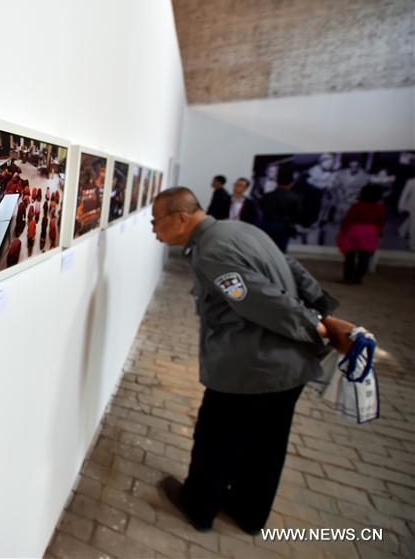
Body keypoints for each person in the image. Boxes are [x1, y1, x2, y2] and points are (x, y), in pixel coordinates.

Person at [150, 187, 355, 535]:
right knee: (267, 448)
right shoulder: (242, 229)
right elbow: (293, 268)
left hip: (249, 369)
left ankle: (198, 506)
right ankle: (249, 513)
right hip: (285, 368)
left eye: (156, 221)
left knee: (216, 441)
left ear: (181, 217)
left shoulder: (212, 249)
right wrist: (321, 309)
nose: (153, 229)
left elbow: (262, 300)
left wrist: (317, 326)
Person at [337, 184, 385, 284]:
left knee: (350, 256)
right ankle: (358, 278)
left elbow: (348, 219)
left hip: (355, 230)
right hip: (371, 232)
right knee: (364, 257)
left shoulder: (357, 205)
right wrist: (379, 232)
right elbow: (381, 222)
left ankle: (348, 277)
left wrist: (343, 231)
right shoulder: (380, 208)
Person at [260, 168, 302, 252]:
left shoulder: (267, 196)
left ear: (277, 182)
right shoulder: (294, 198)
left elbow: (261, 209)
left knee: (265, 250)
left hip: (267, 225)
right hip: (284, 227)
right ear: (291, 183)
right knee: (280, 252)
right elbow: (297, 214)